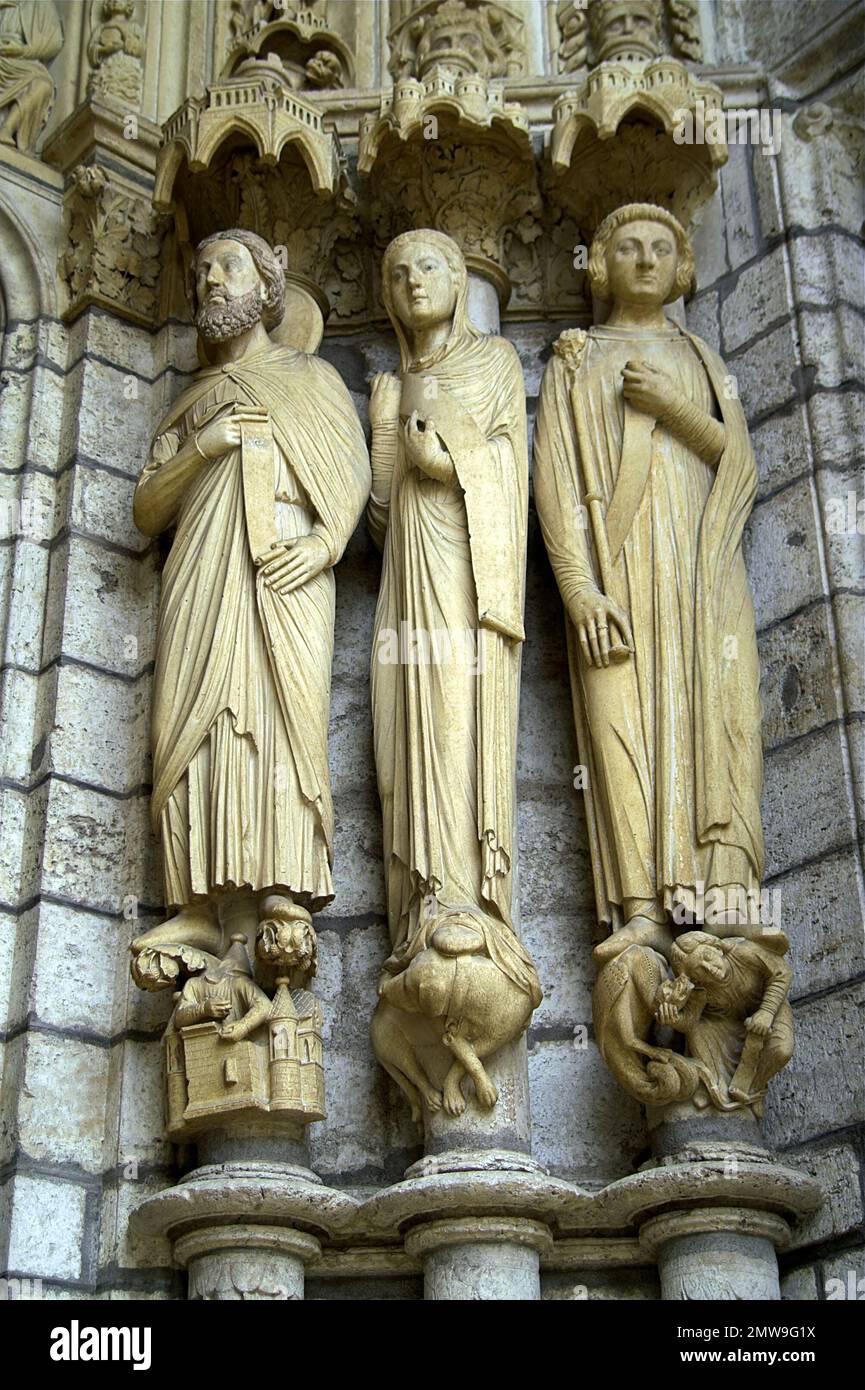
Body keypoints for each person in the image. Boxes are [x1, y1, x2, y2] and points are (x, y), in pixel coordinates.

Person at [130, 229, 370, 983]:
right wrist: (205, 446)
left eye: (228, 268)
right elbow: (145, 509)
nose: (210, 282)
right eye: (201, 271)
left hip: (286, 572)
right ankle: (197, 904)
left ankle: (282, 887)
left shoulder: (310, 376)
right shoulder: (192, 403)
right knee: (195, 725)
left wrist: (326, 543)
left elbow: (349, 474)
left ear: (267, 287)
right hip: (203, 574)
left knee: (279, 719)